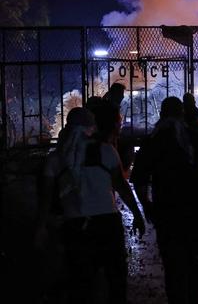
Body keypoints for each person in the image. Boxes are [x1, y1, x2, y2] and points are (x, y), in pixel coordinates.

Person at [35, 107, 145, 304]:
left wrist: (41, 226)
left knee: (81, 283)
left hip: (76, 226)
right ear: (91, 128)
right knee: (115, 280)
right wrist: (137, 214)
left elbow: (46, 196)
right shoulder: (106, 151)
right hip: (107, 222)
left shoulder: (56, 158)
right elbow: (121, 185)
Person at [131, 96, 198, 304]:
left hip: (167, 209)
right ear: (182, 114)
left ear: (161, 114)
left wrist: (145, 205)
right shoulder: (195, 136)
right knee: (194, 259)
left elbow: (139, 180)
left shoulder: (153, 140)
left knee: (172, 264)